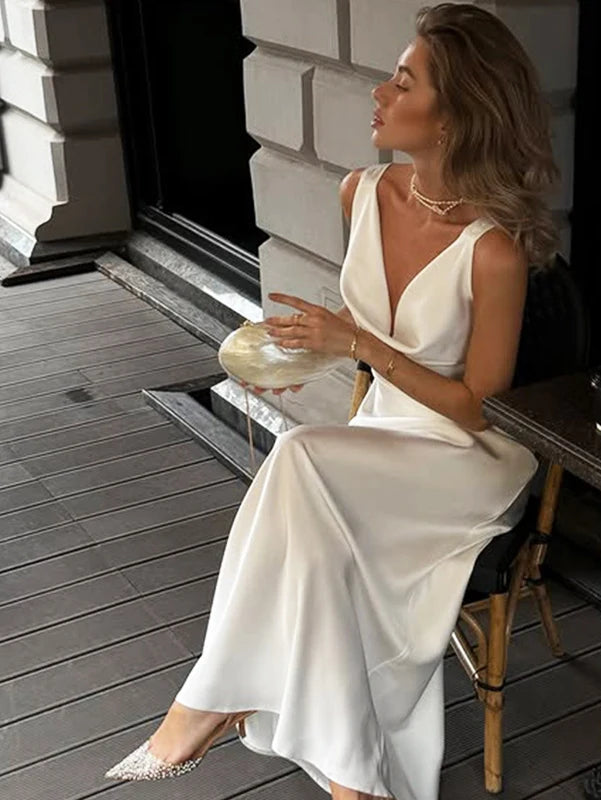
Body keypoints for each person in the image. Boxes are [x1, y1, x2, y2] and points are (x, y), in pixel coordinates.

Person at [103, 3, 560, 799]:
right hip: (379, 437)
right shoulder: (363, 191)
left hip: (462, 461)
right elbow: (363, 326)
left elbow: (479, 407)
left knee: (300, 459)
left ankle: (209, 706)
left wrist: (359, 348)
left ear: (452, 119)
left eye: (404, 81)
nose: (379, 93)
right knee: (309, 504)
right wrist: (294, 351)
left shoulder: (493, 251)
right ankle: (355, 779)